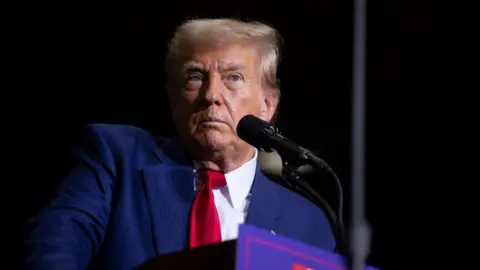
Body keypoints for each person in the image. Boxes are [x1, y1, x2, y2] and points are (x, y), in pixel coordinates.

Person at [22, 18, 335, 270]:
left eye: (234, 78)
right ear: (174, 103)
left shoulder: (308, 222)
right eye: (195, 77)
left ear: (267, 105)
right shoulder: (116, 159)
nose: (211, 94)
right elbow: (51, 252)